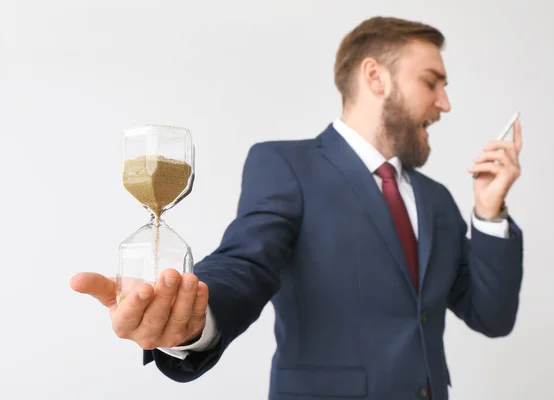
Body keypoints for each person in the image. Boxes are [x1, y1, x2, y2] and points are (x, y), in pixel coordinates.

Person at [71, 16, 524, 400]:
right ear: (375, 77)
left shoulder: (437, 200)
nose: (445, 103)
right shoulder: (286, 165)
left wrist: (489, 211)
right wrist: (195, 320)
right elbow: (246, 261)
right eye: (432, 82)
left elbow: (492, 315)